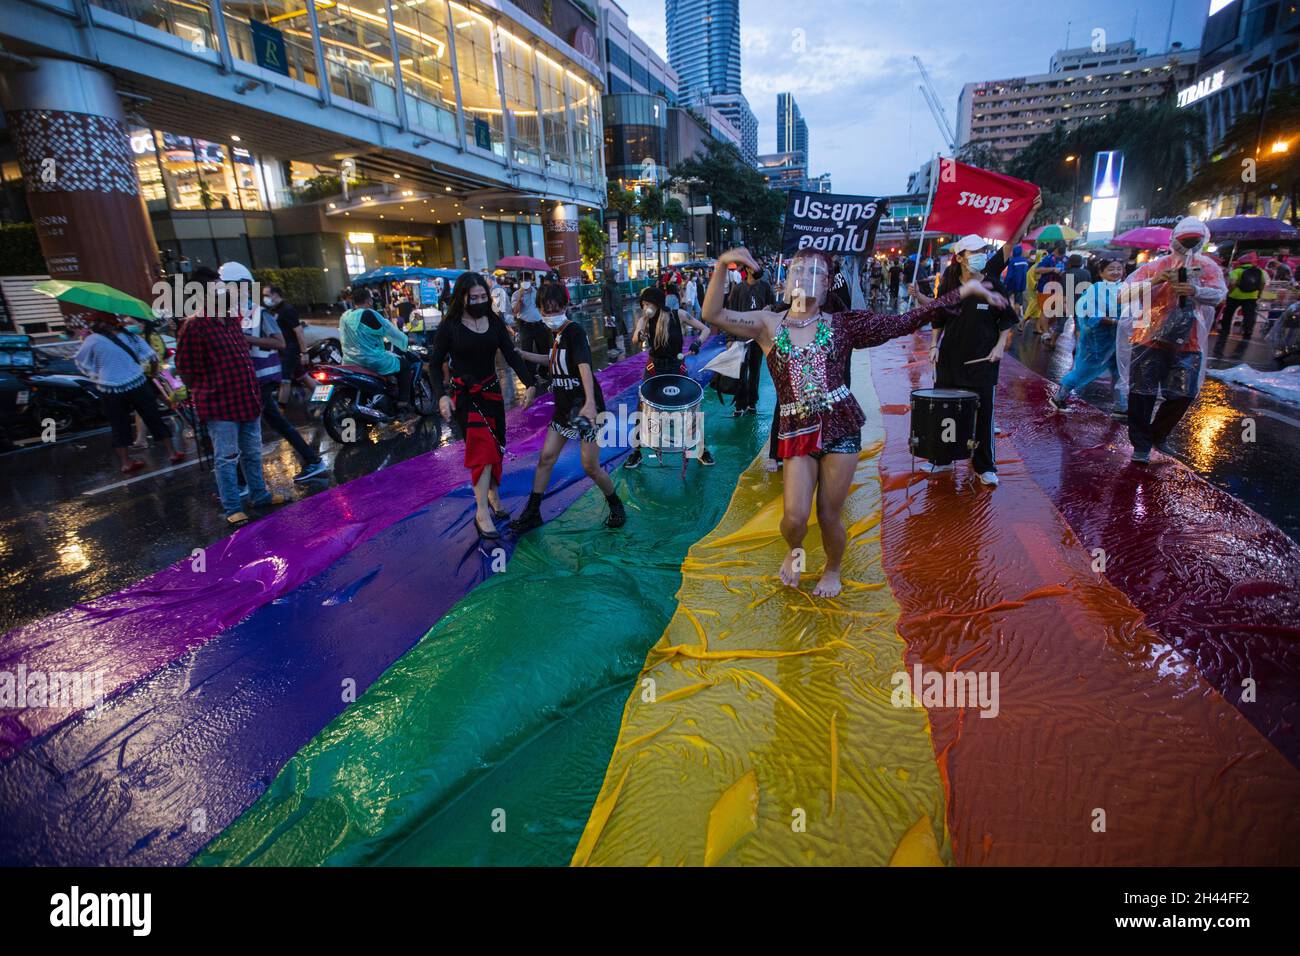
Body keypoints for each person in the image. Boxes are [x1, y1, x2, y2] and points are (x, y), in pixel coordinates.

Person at [702, 246, 1004, 598]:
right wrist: (723, 263)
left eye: (815, 272)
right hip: (797, 432)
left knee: (829, 515)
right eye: (798, 270)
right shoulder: (768, 323)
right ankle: (796, 552)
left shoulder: (844, 324)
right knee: (794, 518)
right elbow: (713, 313)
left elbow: (904, 321)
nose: (805, 277)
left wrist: (963, 290)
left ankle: (832, 569)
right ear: (787, 281)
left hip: (841, 428)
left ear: (828, 284)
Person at [920, 194, 1041, 486]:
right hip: (950, 359)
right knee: (946, 410)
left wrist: (1029, 212)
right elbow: (939, 317)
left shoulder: (991, 275)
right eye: (974, 251)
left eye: (984, 250)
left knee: (983, 414)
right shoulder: (948, 280)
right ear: (960, 256)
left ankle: (984, 465)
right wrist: (935, 344)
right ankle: (943, 459)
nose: (981, 255)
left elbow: (1012, 240)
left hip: (983, 361)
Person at [510, 283, 626, 533]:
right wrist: (524, 354)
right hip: (564, 409)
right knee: (546, 458)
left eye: (556, 309)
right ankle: (533, 511)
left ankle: (616, 504)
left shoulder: (574, 332)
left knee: (590, 466)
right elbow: (555, 362)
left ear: (565, 307)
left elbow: (584, 366)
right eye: (546, 310)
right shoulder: (556, 335)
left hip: (584, 409)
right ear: (539, 309)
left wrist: (591, 404)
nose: (551, 315)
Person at [429, 272, 537, 539]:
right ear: (461, 298)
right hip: (466, 398)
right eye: (473, 297)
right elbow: (434, 364)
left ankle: (493, 494)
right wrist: (441, 396)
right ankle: (481, 512)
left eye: (482, 297)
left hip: (492, 394)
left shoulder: (494, 320)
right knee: (482, 452)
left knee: (497, 449)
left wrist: (530, 383)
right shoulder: (450, 325)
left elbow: (510, 354)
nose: (478, 301)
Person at [175, 267, 286, 525]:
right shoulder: (194, 326)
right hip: (219, 404)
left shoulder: (231, 320)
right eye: (217, 286)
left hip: (247, 398)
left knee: (252, 452)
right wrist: (207, 389)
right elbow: (187, 369)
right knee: (226, 457)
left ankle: (259, 495)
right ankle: (232, 507)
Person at [1122, 216, 1227, 464]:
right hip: (1148, 340)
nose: (1188, 246)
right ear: (1173, 241)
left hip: (1188, 344)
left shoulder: (1207, 267)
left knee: (1183, 394)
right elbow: (1124, 294)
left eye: (1194, 241)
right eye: (1184, 241)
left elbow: (1220, 294)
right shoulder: (1155, 266)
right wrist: (1157, 281)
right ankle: (1141, 444)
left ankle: (1157, 434)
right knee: (1141, 393)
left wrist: (1195, 290)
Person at [218, 263, 328, 484]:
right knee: (273, 420)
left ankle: (242, 481)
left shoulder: (263, 312)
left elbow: (286, 338)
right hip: (252, 378)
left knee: (246, 427)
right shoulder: (233, 313)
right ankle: (311, 458)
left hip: (267, 373)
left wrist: (303, 352)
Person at [74, 312, 186, 474]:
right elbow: (153, 358)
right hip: (137, 382)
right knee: (153, 417)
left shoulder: (92, 340)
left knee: (119, 425)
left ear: (101, 324)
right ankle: (172, 453)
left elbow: (81, 361)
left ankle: (126, 462)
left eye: (95, 322)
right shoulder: (131, 337)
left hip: (109, 388)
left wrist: (97, 374)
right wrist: (153, 373)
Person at [624, 286, 715, 469]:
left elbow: (705, 329)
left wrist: (697, 343)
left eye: (648, 304)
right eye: (643, 304)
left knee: (691, 407)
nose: (645, 307)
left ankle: (701, 449)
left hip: (676, 365)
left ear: (657, 304)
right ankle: (636, 452)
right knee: (642, 408)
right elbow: (635, 338)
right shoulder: (644, 319)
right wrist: (640, 334)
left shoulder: (678, 314)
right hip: (654, 367)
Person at [1050, 256, 1128, 416]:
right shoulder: (1095, 289)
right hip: (1096, 341)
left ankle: (1121, 406)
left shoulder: (1125, 288)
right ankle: (1059, 397)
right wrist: (1113, 322)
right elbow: (1088, 311)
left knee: (1118, 371)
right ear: (1101, 272)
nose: (1115, 272)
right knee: (1084, 370)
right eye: (1111, 269)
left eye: (1118, 268)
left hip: (1117, 340)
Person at [339, 285, 413, 405]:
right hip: (370, 359)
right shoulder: (369, 314)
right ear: (369, 300)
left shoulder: (345, 316)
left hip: (349, 360)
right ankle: (403, 402)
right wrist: (406, 339)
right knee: (404, 365)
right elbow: (389, 330)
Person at [728, 262, 777, 416]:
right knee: (741, 371)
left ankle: (752, 401)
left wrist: (771, 308)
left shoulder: (766, 287)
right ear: (748, 269)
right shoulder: (738, 289)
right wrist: (730, 337)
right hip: (741, 336)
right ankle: (739, 403)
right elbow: (731, 313)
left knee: (755, 369)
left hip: (759, 336)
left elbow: (775, 307)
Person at [1216, 258, 1269, 357]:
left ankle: (1225, 329)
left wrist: (1229, 292)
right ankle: (1248, 330)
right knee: (1249, 315)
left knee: (1228, 313)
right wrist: (1259, 294)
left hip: (1235, 296)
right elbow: (1262, 284)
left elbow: (1232, 283)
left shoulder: (1236, 271)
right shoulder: (1260, 271)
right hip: (1251, 297)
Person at [512, 272, 552, 386]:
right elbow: (515, 311)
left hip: (539, 324)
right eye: (523, 280)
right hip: (525, 325)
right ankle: (531, 377)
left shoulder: (537, 292)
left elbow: (543, 306)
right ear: (519, 282)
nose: (525, 282)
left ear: (531, 281)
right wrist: (520, 296)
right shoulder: (516, 294)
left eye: (528, 280)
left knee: (544, 348)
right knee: (527, 351)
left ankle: (544, 373)